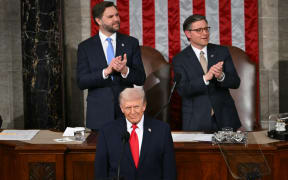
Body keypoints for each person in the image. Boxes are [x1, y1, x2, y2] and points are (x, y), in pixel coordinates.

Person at [77, 1, 146, 130]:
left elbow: (141, 78)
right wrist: (106, 71)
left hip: (127, 113)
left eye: (117, 15)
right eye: (110, 17)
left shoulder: (131, 43)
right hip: (99, 115)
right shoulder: (85, 47)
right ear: (98, 20)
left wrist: (125, 70)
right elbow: (82, 82)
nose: (116, 19)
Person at [172, 14, 241, 132]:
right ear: (188, 34)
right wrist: (205, 78)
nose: (204, 33)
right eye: (199, 30)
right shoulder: (179, 59)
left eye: (206, 29)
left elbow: (235, 82)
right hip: (196, 120)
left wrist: (221, 76)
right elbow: (183, 89)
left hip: (225, 118)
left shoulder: (221, 52)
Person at [95, 88, 177, 180]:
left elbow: (169, 171)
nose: (132, 112)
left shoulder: (162, 130)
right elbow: (100, 172)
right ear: (121, 108)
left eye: (136, 107)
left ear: (144, 106)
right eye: (128, 108)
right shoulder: (107, 131)